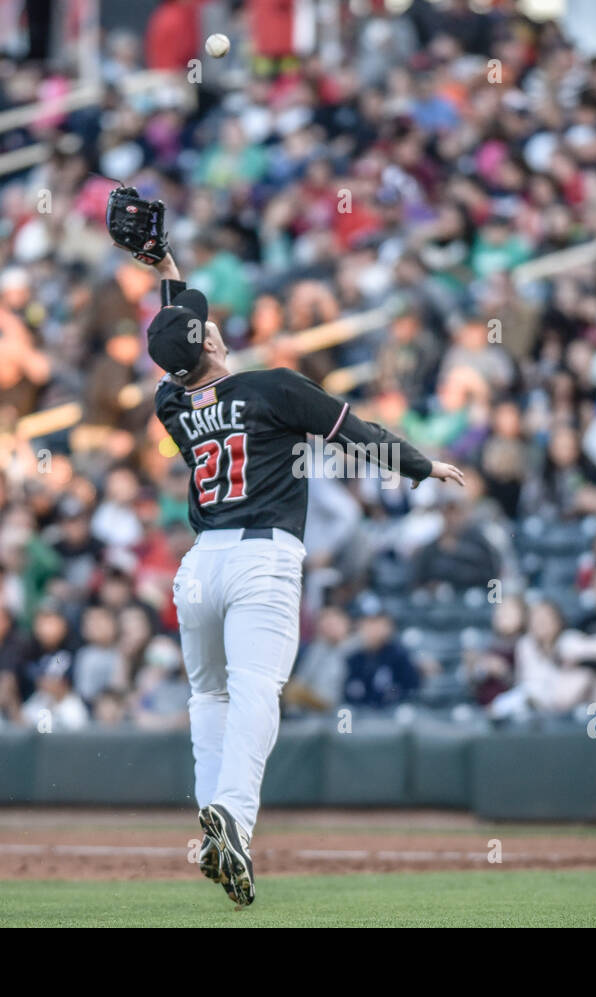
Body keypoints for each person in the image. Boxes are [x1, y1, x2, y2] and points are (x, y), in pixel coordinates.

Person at [136, 228, 462, 907]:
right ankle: (233, 818)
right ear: (212, 340)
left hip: (199, 567)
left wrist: (167, 271)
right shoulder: (274, 389)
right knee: (257, 689)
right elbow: (358, 434)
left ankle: (212, 821)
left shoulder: (170, 404)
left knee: (208, 696)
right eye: (207, 325)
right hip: (262, 557)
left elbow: (177, 350)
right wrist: (423, 465)